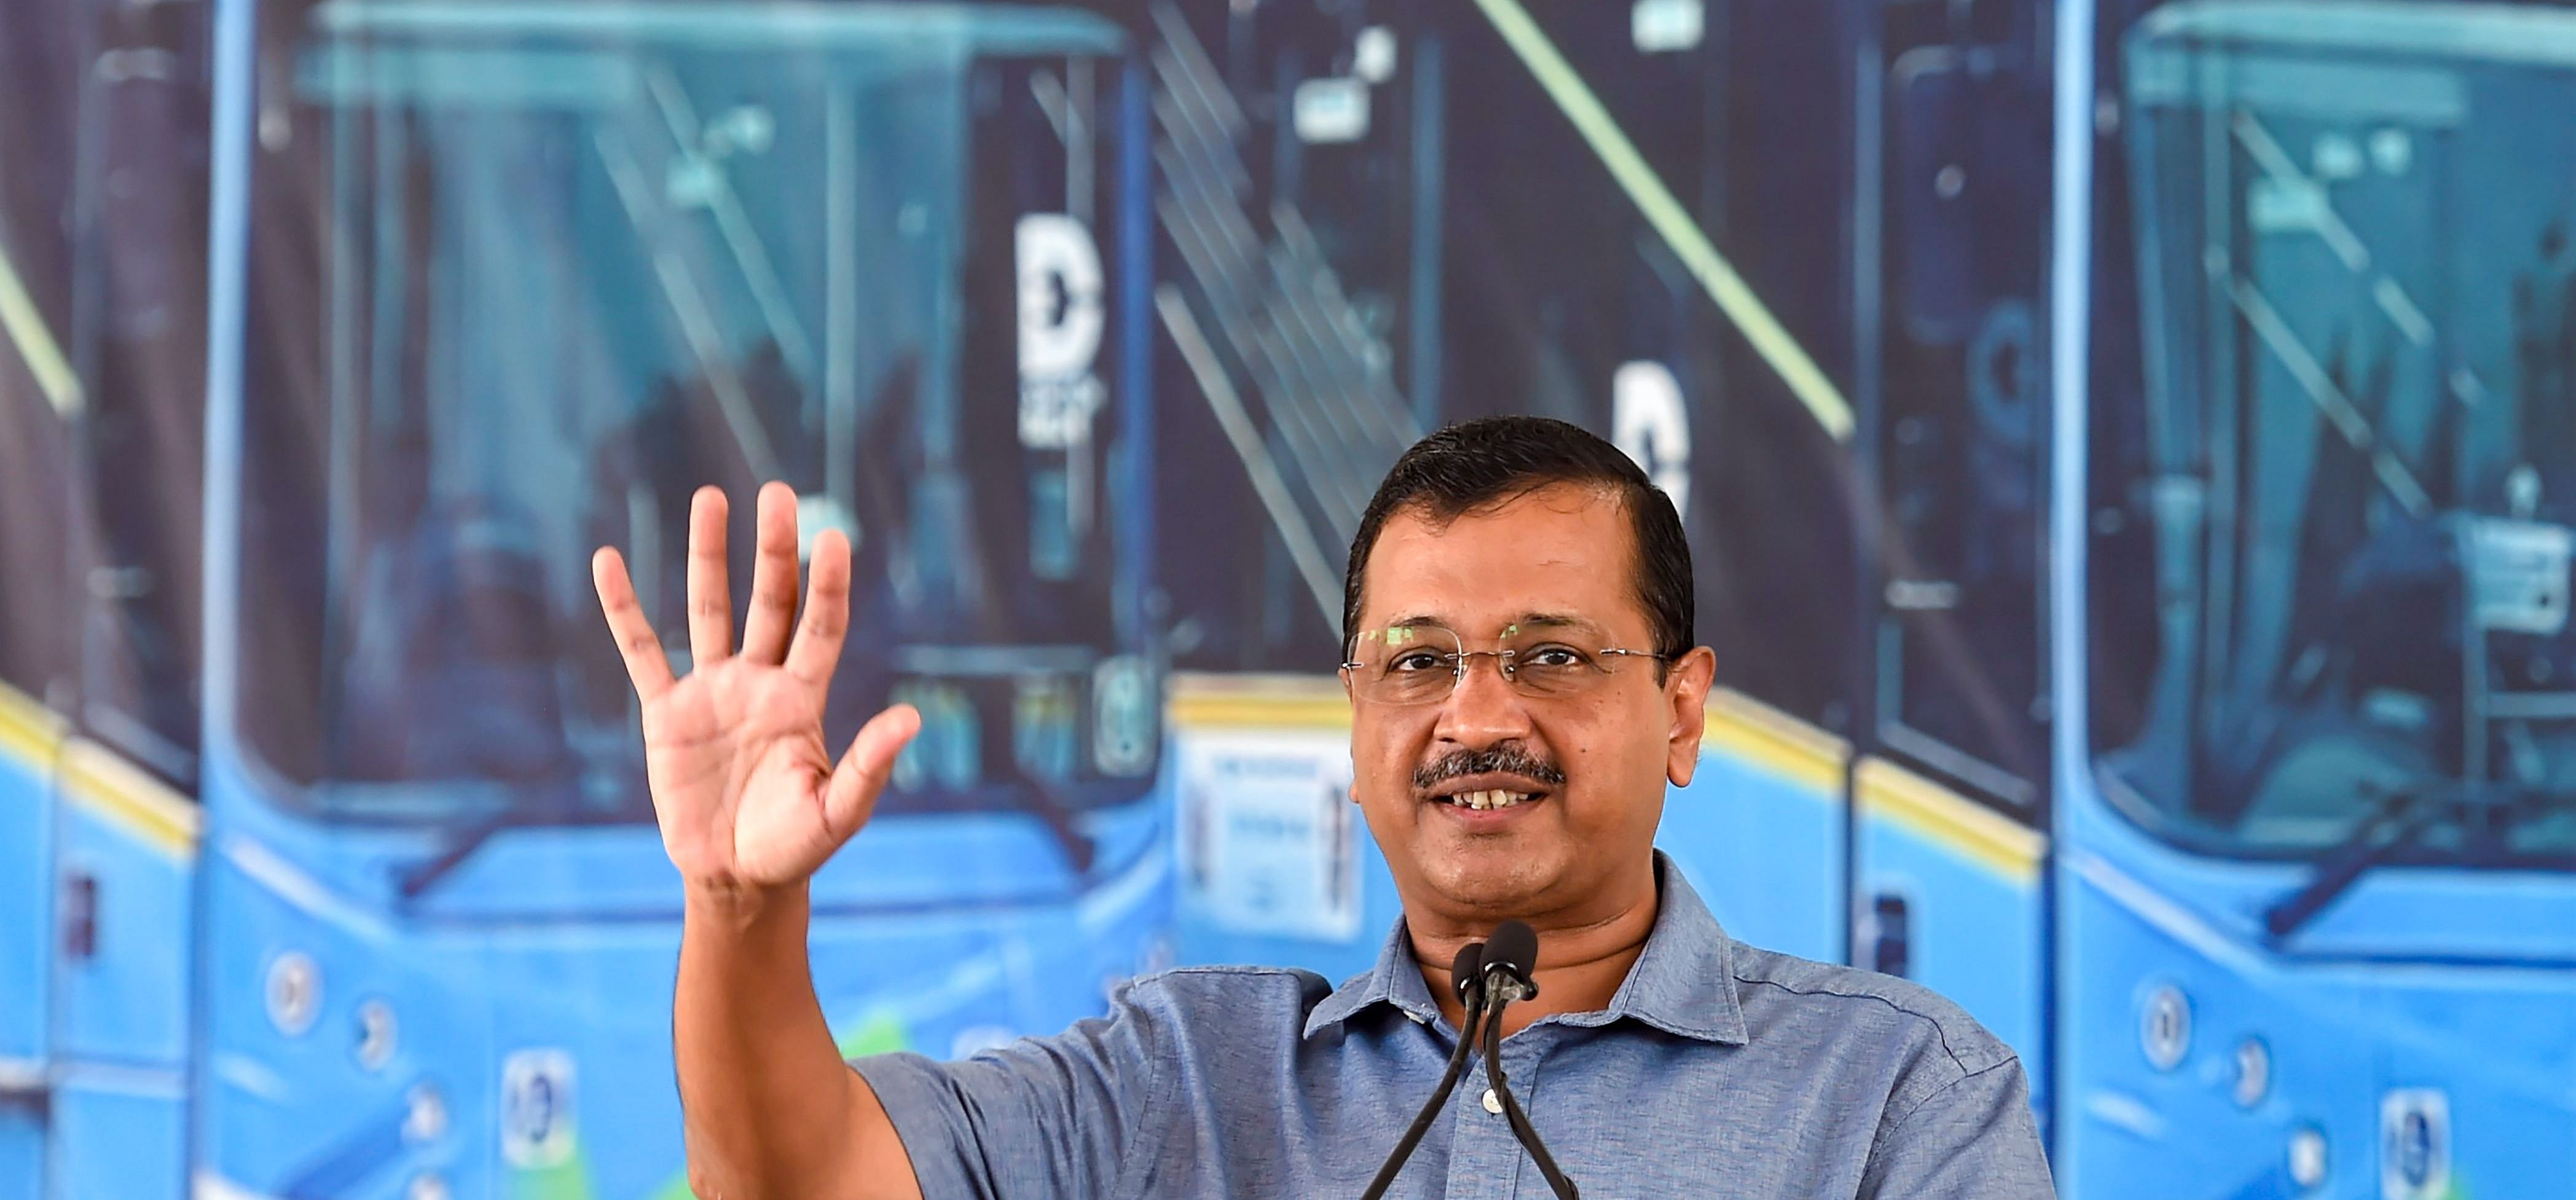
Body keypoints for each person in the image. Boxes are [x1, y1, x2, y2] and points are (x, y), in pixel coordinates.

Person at [592, 416, 2057, 1198]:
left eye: (1549, 657)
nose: (1476, 716)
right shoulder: (1179, 1081)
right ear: (1356, 721)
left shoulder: (1893, 1102)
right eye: (1417, 663)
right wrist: (738, 909)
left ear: (1679, 711)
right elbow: (796, 1183)